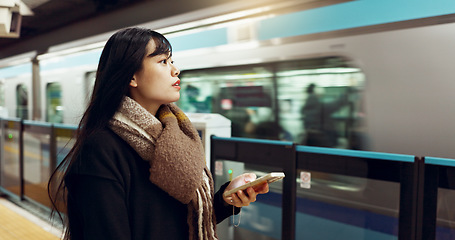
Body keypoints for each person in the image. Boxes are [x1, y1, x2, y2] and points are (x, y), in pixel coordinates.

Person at [47, 27, 269, 240]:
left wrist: (225, 200)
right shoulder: (101, 150)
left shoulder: (174, 135)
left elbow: (174, 222)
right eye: (163, 61)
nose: (175, 69)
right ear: (131, 77)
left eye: (171, 61)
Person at [301, 83, 348, 147]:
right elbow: (337, 104)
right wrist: (345, 94)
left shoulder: (305, 108)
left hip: (312, 141)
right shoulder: (320, 107)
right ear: (315, 92)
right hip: (324, 141)